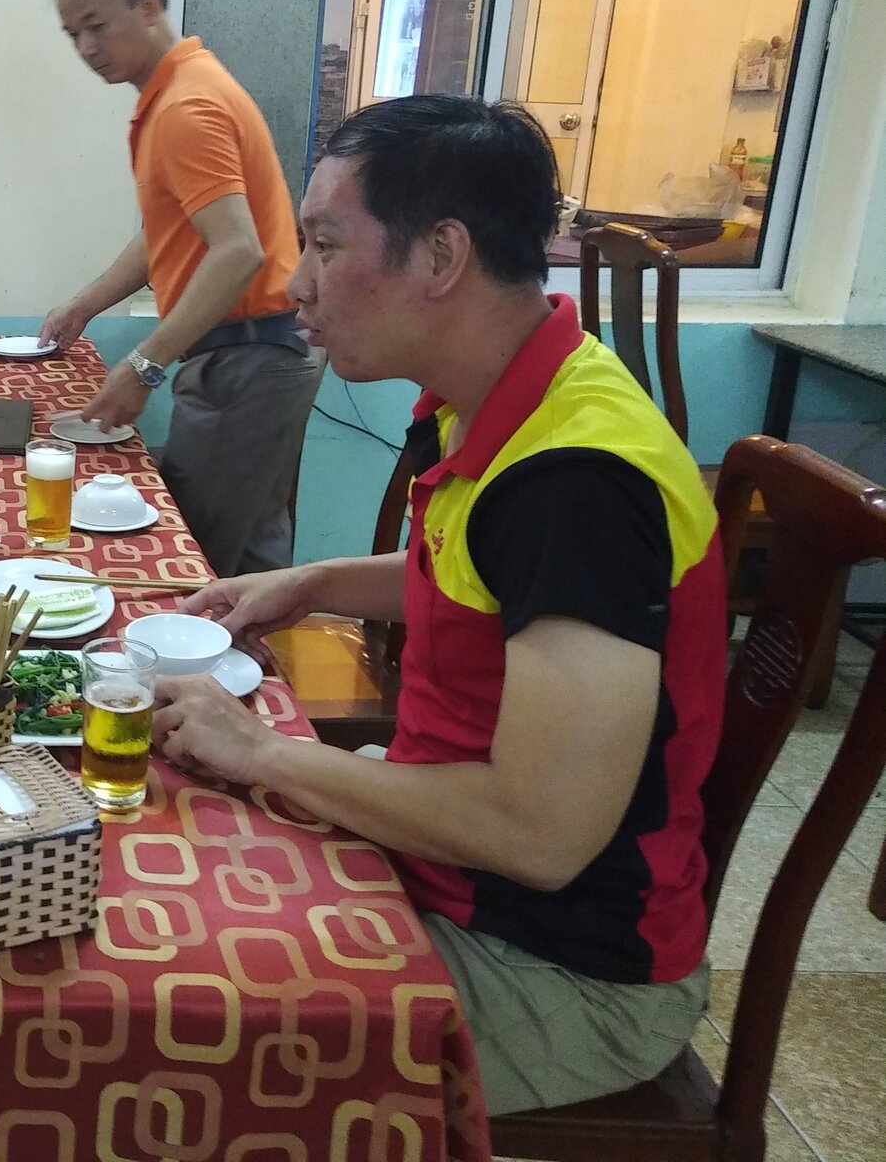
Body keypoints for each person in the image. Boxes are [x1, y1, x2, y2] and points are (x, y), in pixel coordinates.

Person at [156, 95, 725, 1116]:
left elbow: (537, 834)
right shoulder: (505, 392)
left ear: (440, 255)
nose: (296, 283)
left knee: (168, 1045)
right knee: (171, 875)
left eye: (326, 244)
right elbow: (481, 576)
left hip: (553, 971)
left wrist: (264, 752)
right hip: (447, 874)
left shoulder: (579, 484)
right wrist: (311, 584)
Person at [41, 0, 325, 574]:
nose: (86, 48)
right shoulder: (178, 91)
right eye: (72, 34)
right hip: (263, 351)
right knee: (248, 550)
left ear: (148, 7)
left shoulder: (186, 108)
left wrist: (144, 365)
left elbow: (238, 251)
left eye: (96, 26)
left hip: (249, 357)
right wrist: (84, 306)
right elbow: (169, 234)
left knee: (191, 559)